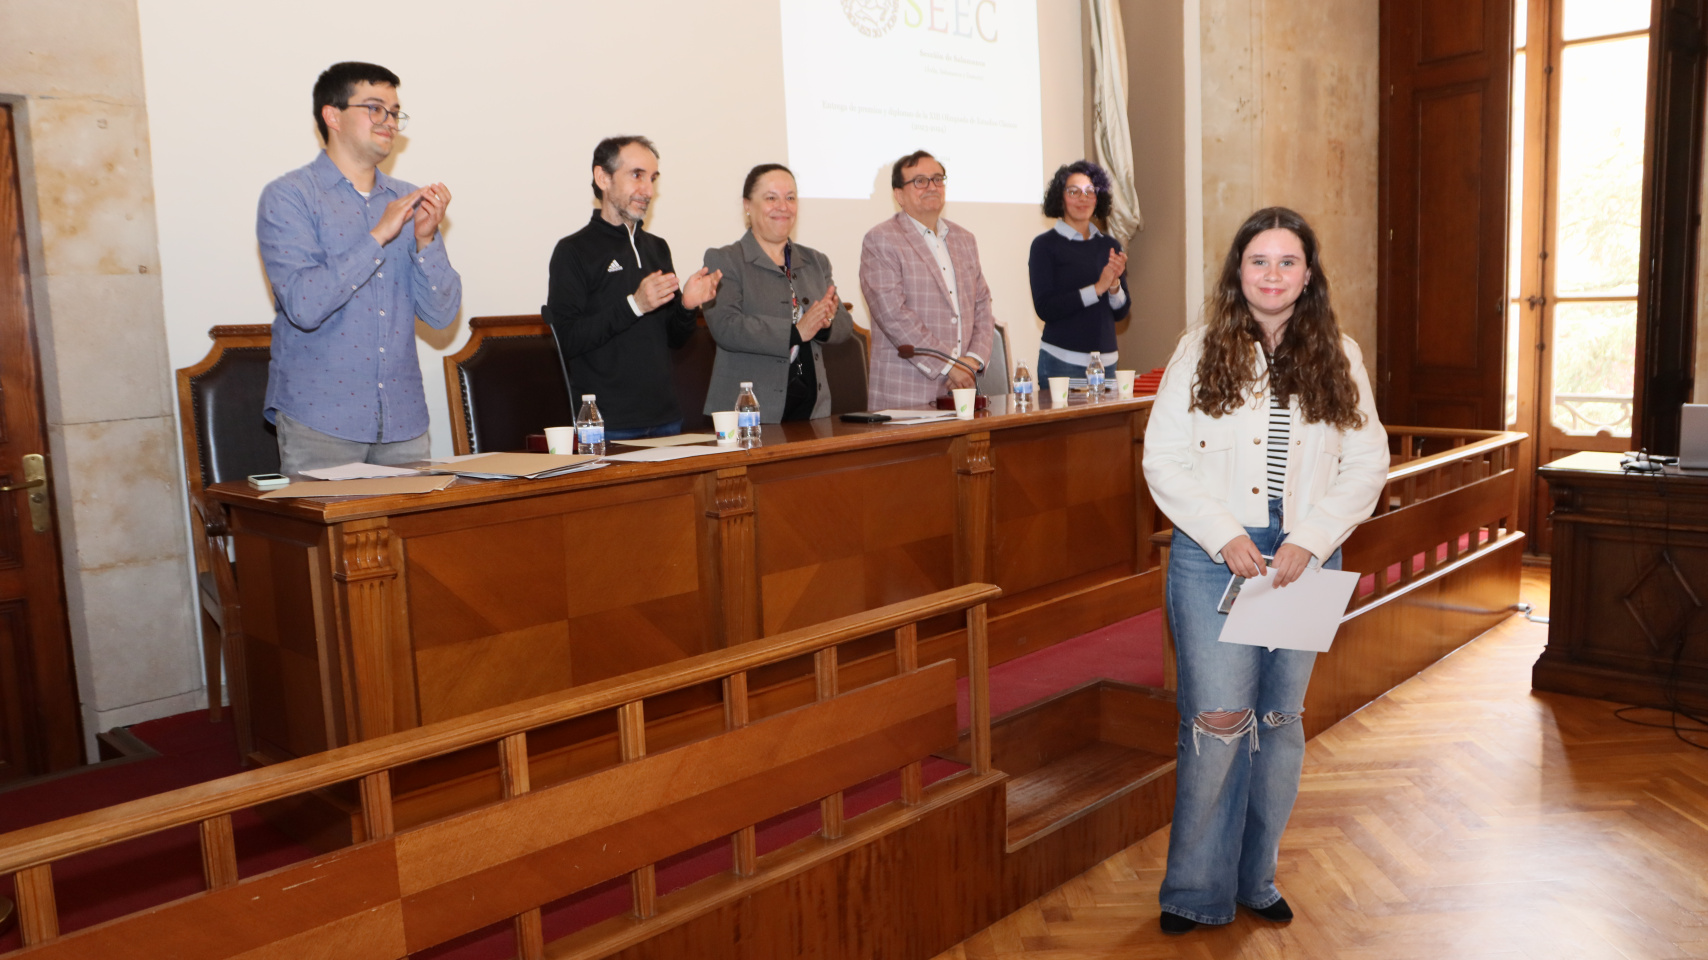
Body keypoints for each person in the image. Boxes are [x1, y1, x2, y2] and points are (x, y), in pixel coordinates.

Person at [1141, 207, 1388, 933]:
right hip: (1215, 553)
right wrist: (1224, 535)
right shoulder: (1198, 349)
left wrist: (1310, 539)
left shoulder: (1339, 353)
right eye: (1259, 260)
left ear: (1308, 275)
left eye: (1287, 261)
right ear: (1238, 271)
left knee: (1278, 722)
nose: (1272, 274)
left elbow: (1367, 462)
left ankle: (1256, 877)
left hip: (1303, 555)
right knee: (1218, 721)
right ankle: (1194, 891)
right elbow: (1164, 458)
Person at [258, 61, 460, 475]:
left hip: (404, 423)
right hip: (321, 422)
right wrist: (378, 236)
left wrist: (425, 240)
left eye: (394, 112)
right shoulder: (290, 196)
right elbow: (305, 305)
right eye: (374, 108)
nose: (389, 122)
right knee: (330, 524)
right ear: (332, 116)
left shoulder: (410, 201)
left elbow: (441, 316)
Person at [547, 136, 721, 440]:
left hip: (665, 417)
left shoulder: (657, 248)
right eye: (637, 175)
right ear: (603, 178)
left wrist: (687, 307)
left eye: (652, 178)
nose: (648, 190)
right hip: (606, 423)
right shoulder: (573, 251)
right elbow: (568, 339)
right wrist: (634, 305)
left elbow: (676, 339)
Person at [702, 164, 854, 421]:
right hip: (749, 414)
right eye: (771, 198)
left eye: (790, 198)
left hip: (812, 413)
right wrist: (796, 332)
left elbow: (844, 325)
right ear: (747, 205)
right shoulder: (725, 259)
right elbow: (726, 327)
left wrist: (826, 323)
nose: (783, 207)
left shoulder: (816, 261)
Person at [859, 150, 996, 409]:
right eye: (920, 181)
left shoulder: (965, 239)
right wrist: (949, 365)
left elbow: (982, 305)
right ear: (899, 195)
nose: (932, 187)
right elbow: (893, 315)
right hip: (906, 396)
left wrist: (972, 361)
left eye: (938, 179)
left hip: (963, 392)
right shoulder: (881, 240)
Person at [1028, 161, 1130, 381]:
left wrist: (1113, 285)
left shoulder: (1110, 245)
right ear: (1060, 198)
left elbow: (1121, 313)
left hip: (1107, 364)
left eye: (1089, 191)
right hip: (1062, 363)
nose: (1083, 198)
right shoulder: (1044, 246)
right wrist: (1097, 288)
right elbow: (1045, 308)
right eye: (1074, 192)